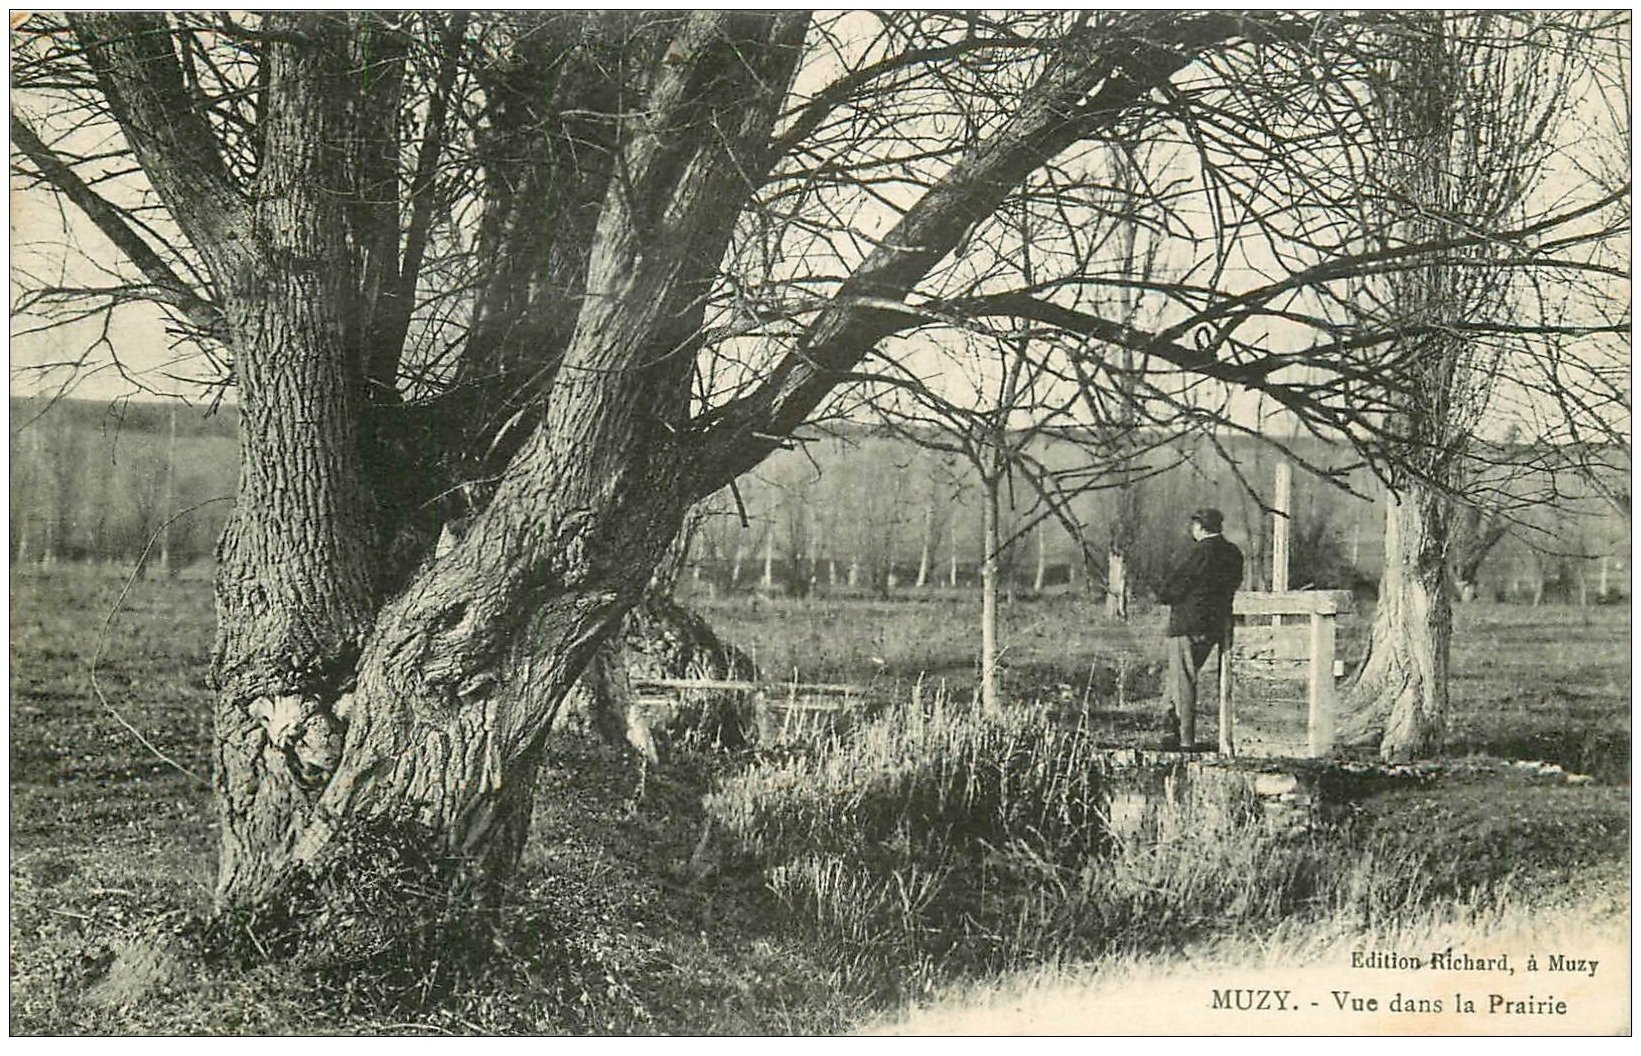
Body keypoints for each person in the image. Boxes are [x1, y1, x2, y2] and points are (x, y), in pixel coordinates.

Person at [1153, 506, 1243, 751]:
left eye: (1194, 526)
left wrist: (1163, 594)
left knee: (1183, 680)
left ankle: (1185, 739)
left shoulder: (1200, 552)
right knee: (1179, 678)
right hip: (1215, 624)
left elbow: (1177, 585)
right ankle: (1170, 729)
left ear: (1200, 527)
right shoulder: (1233, 553)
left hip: (1188, 623)